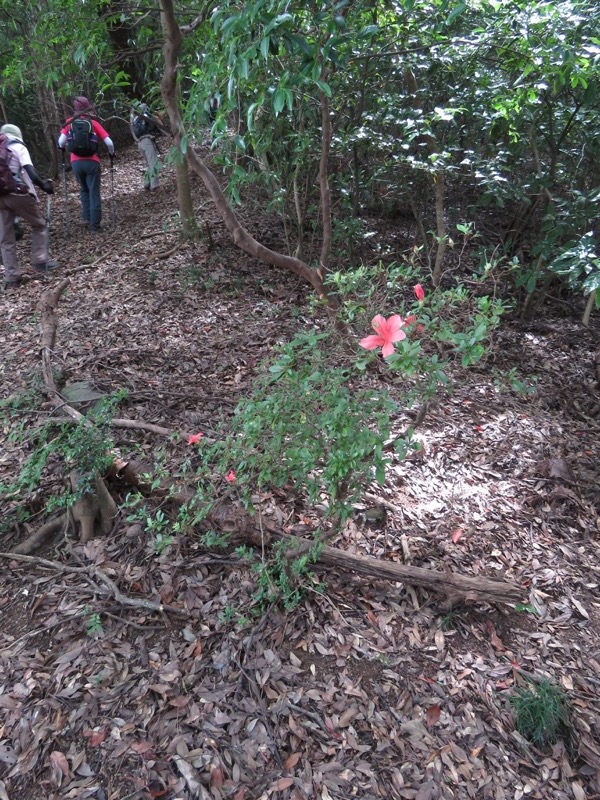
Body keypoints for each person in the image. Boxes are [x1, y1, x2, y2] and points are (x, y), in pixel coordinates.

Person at [0, 123, 56, 289]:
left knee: (6, 238)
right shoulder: (18, 147)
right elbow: (31, 173)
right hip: (18, 194)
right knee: (39, 225)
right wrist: (44, 185)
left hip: (0, 196)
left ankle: (12, 278)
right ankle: (40, 260)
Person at [57, 96, 115, 233]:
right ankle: (95, 227)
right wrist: (112, 153)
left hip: (76, 163)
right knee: (94, 191)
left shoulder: (69, 123)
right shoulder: (93, 123)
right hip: (92, 162)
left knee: (84, 189)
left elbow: (60, 142)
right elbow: (109, 143)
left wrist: (65, 147)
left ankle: (86, 218)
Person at [130, 104, 163, 191]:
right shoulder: (146, 117)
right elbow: (157, 126)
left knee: (149, 163)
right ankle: (154, 185)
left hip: (139, 142)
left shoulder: (135, 118)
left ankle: (147, 183)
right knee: (153, 163)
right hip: (147, 140)